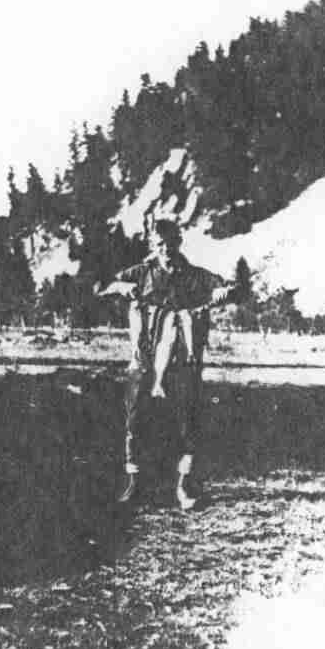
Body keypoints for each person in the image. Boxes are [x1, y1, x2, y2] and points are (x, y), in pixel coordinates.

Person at [97, 218, 239, 510]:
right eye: (160, 244)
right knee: (134, 417)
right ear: (153, 245)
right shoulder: (142, 272)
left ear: (179, 242)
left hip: (183, 360)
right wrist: (122, 288)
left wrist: (225, 293)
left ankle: (184, 484)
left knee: (188, 420)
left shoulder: (197, 277)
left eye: (171, 242)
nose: (166, 249)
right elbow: (103, 286)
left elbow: (232, 289)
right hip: (145, 359)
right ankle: (134, 483)